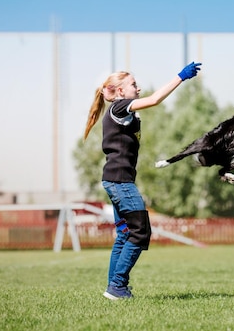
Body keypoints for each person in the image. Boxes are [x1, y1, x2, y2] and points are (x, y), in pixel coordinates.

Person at [83, 61, 202, 300]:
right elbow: (156, 99)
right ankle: (117, 286)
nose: (138, 88)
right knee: (140, 232)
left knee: (126, 234)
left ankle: (115, 288)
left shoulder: (121, 111)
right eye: (133, 84)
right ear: (119, 91)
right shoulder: (120, 107)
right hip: (120, 183)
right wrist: (180, 76)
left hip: (116, 180)